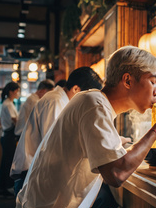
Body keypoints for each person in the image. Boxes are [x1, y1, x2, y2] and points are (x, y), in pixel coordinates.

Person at [14, 46, 156, 208]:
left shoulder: (94, 102)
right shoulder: (94, 103)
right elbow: (116, 174)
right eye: (152, 81)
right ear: (128, 80)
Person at [10, 67, 103, 196]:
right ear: (76, 89)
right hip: (30, 175)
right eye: (88, 97)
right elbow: (54, 145)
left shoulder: (61, 100)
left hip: (37, 172)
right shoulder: (55, 102)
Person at [0, 81, 20, 197]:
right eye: (17, 91)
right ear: (11, 92)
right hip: (8, 136)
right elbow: (15, 120)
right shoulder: (8, 104)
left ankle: (2, 188)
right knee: (6, 163)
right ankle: (2, 189)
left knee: (6, 162)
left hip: (8, 136)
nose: (18, 93)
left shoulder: (9, 103)